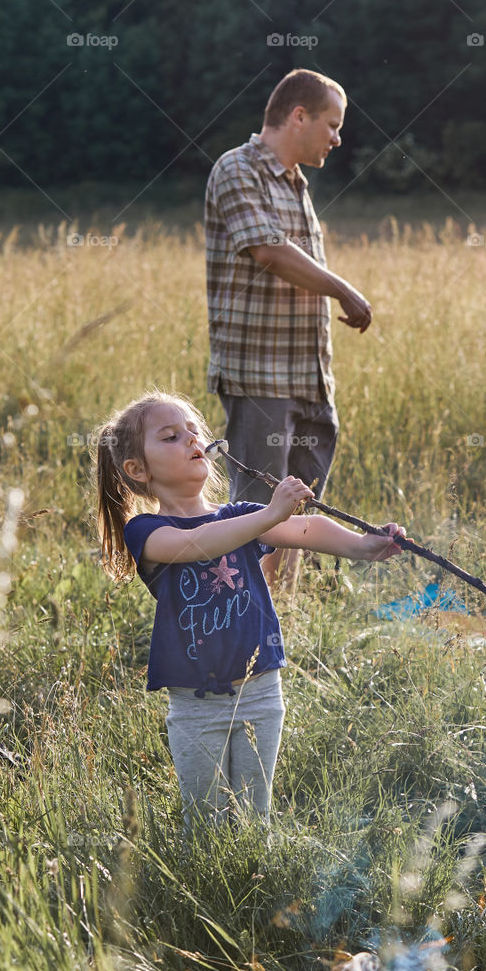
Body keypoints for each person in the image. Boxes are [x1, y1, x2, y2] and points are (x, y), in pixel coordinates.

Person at [95, 391, 403, 836]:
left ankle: (256, 888)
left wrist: (366, 545)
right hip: (196, 704)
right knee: (205, 825)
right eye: (171, 436)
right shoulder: (146, 531)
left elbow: (307, 527)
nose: (191, 440)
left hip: (260, 692)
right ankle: (206, 894)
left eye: (194, 431)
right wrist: (269, 514)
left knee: (255, 818)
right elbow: (197, 545)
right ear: (137, 470)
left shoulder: (239, 516)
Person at [205, 68, 371, 594]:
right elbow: (270, 252)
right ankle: (244, 625)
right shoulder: (237, 168)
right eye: (331, 123)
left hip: (310, 379)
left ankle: (283, 617)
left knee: (301, 507)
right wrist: (344, 290)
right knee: (257, 508)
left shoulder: (299, 185)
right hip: (260, 375)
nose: (337, 137)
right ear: (298, 116)